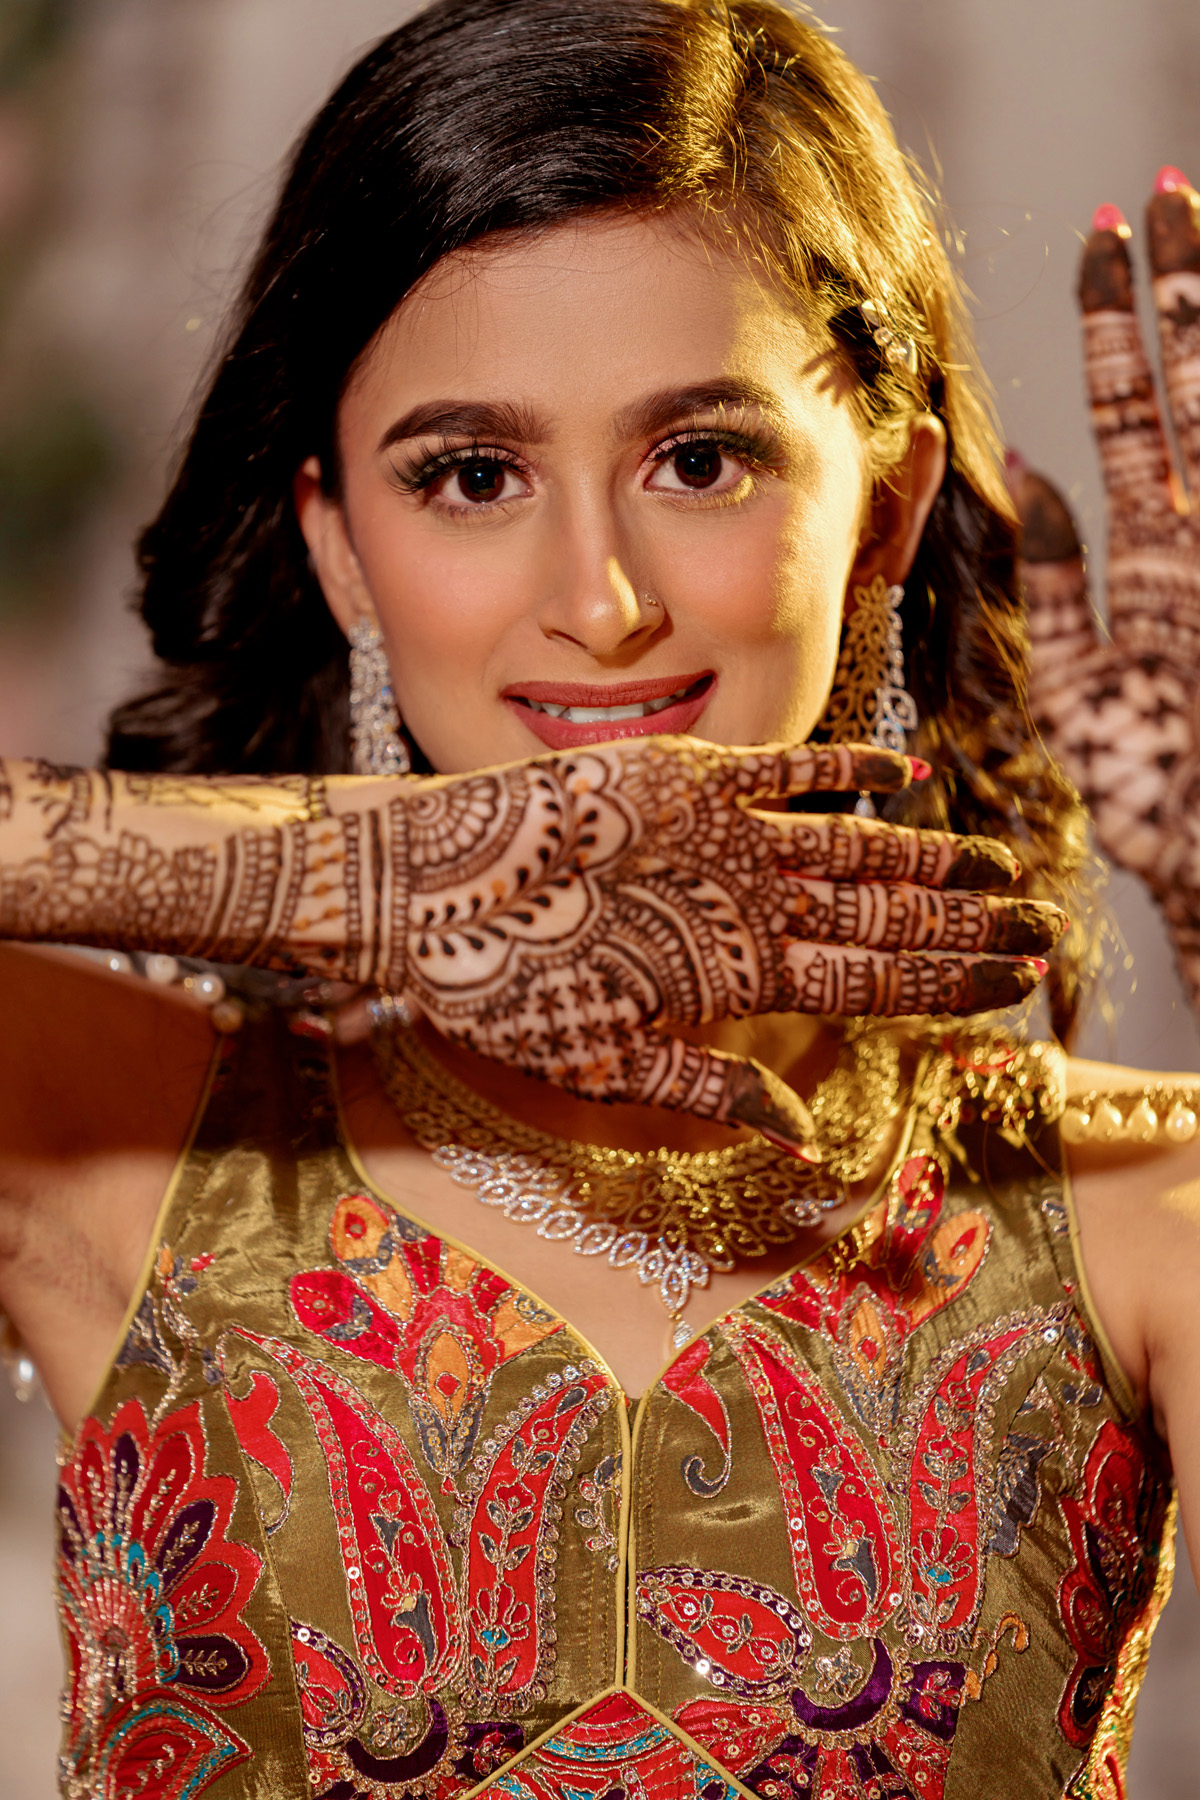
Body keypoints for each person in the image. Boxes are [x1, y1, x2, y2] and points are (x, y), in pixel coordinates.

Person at [1, 2, 1198, 1795]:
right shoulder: (117, 1151)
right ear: (341, 546)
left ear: (882, 506)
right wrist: (361, 874)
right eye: (472, 476)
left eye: (698, 459)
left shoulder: (1122, 1205)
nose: (605, 599)